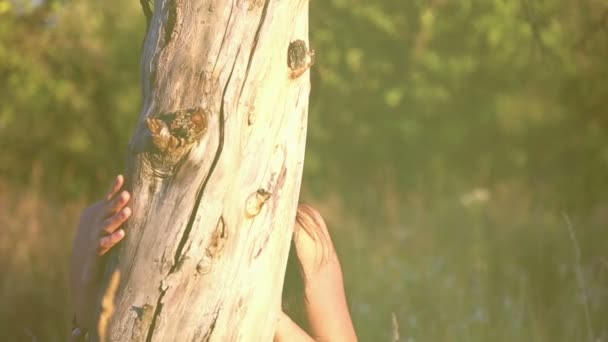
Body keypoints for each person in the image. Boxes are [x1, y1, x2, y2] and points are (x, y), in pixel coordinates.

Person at [70, 175, 357, 341]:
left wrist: (265, 311)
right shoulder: (106, 219)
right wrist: (91, 278)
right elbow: (84, 331)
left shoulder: (299, 230)